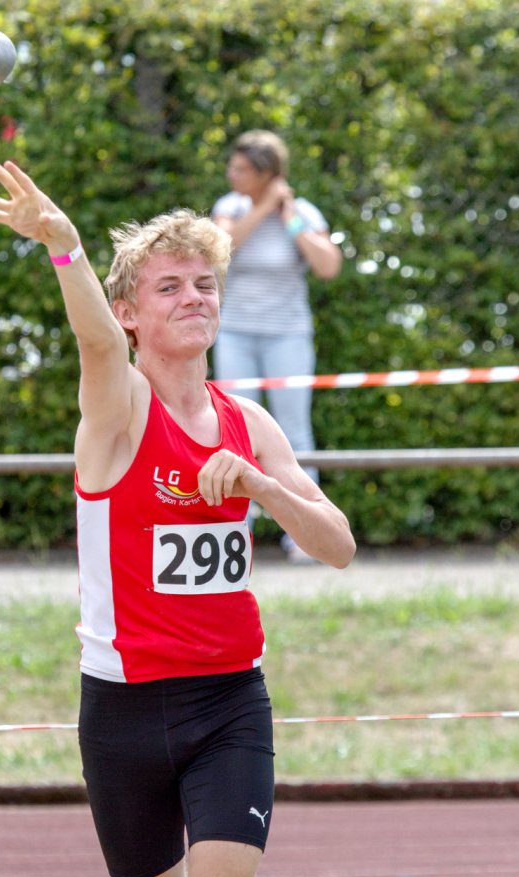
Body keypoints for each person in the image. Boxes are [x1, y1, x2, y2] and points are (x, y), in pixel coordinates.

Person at [0, 159, 355, 877]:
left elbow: (337, 544)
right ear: (131, 313)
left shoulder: (249, 424)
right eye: (169, 286)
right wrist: (64, 248)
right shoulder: (118, 408)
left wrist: (262, 487)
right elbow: (94, 346)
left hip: (228, 704)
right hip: (123, 710)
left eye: (205, 283)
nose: (193, 297)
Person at [211, 129, 342, 561]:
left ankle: (305, 536)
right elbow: (220, 250)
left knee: (294, 430)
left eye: (241, 168)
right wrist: (263, 207)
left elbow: (327, 265)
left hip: (288, 336)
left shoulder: (301, 213)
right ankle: (235, 532)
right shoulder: (230, 208)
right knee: (234, 430)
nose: (232, 173)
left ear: (266, 173)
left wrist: (289, 219)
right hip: (235, 334)